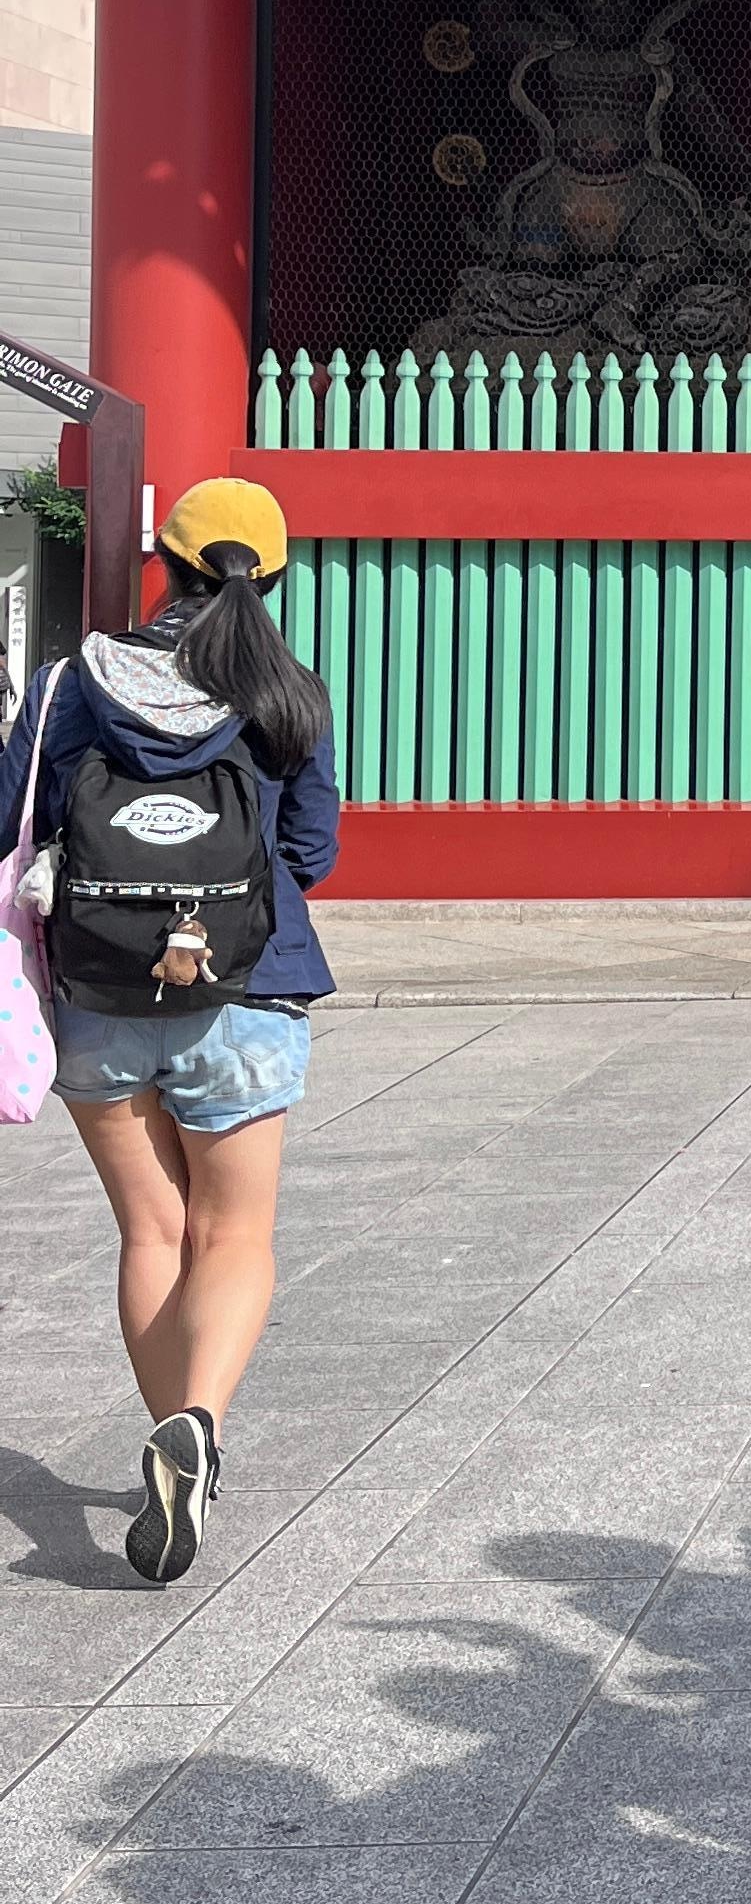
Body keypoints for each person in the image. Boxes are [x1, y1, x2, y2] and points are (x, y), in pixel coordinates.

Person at [0, 478, 339, 1589]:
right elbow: (312, 855)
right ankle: (198, 1424)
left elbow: (10, 820)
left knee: (152, 1233)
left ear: (169, 563)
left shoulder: (73, 681)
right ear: (271, 576)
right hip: (245, 989)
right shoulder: (287, 693)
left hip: (98, 993)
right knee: (233, 1236)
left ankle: (173, 1440)